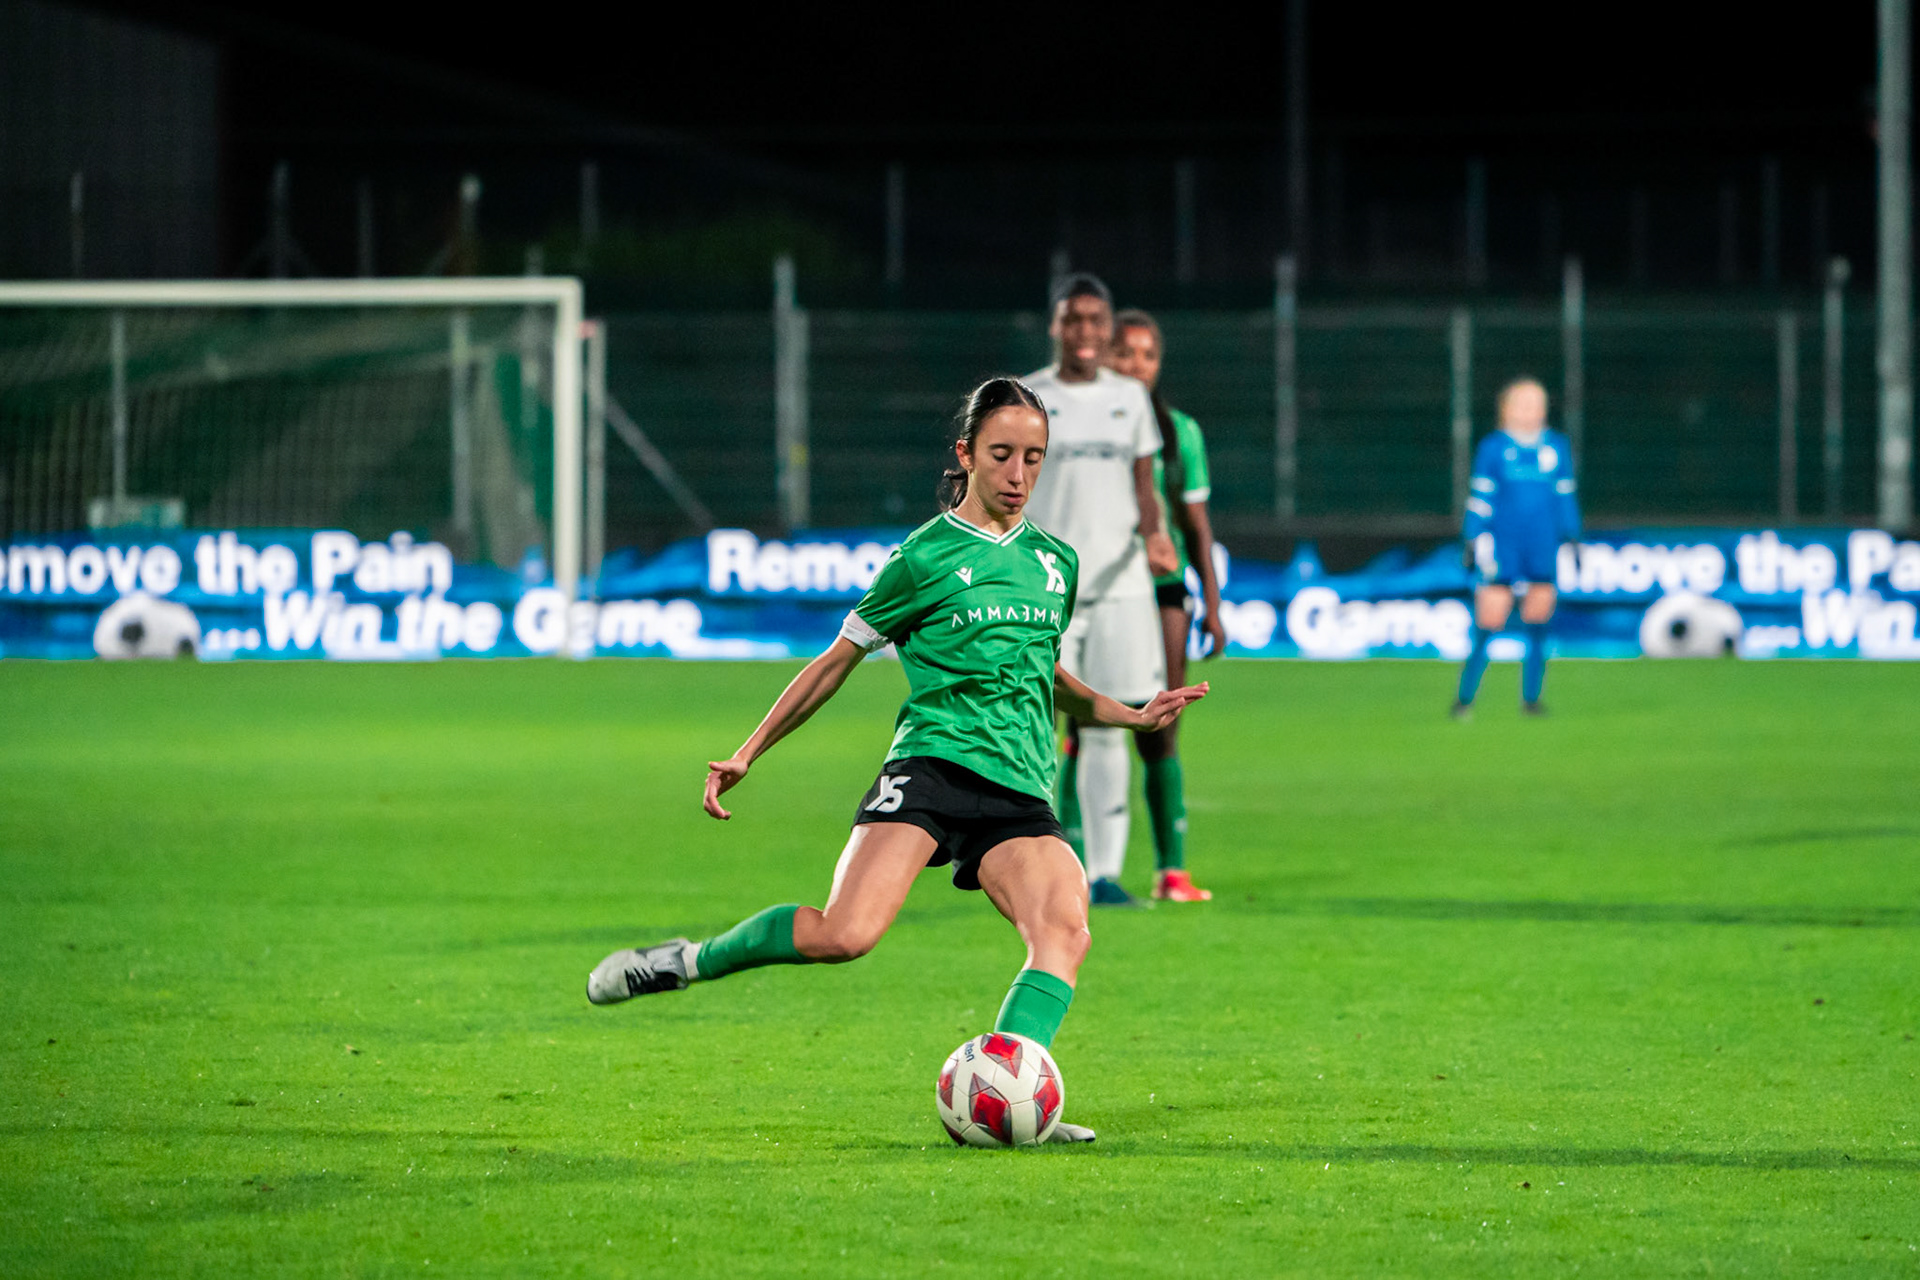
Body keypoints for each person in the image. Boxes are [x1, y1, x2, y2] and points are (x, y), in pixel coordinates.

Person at [586, 377, 1209, 1144]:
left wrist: (1128, 712)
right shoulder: (923, 558)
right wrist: (748, 751)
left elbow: (1041, 672)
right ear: (967, 454)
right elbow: (834, 662)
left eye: (1034, 458)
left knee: (1065, 932)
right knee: (843, 934)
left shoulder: (1055, 562)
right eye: (1002, 455)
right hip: (932, 769)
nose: (1018, 474)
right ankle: (687, 961)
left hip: (1019, 786)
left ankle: (1015, 1097)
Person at [1023, 273, 1180, 908]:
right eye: (1073, 319)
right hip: (1043, 589)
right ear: (1056, 326)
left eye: (1095, 320)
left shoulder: (1130, 399)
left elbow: (1145, 484)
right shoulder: (1030, 395)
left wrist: (1157, 533)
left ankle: (1103, 875)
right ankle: (1029, 864)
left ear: (1107, 328)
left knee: (1111, 727)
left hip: (1120, 586)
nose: (1084, 331)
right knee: (1032, 726)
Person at [1107, 309, 1227, 903]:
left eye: (1148, 354)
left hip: (1164, 588)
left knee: (1163, 722)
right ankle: (1079, 869)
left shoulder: (1181, 433)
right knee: (1089, 725)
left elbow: (1195, 524)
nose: (1137, 365)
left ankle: (1171, 872)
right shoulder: (1085, 431)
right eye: (1125, 352)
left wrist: (1214, 605)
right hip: (1101, 587)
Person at [1453, 377, 1582, 717]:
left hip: (1542, 545)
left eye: (1537, 404)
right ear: (1506, 410)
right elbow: (1481, 497)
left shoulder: (1556, 446)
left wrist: (1573, 536)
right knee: (1490, 619)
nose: (1531, 411)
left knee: (1538, 620)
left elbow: (1565, 495)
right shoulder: (1494, 448)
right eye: (1523, 404)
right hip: (1504, 546)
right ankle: (1464, 700)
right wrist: (1472, 536)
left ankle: (1531, 700)